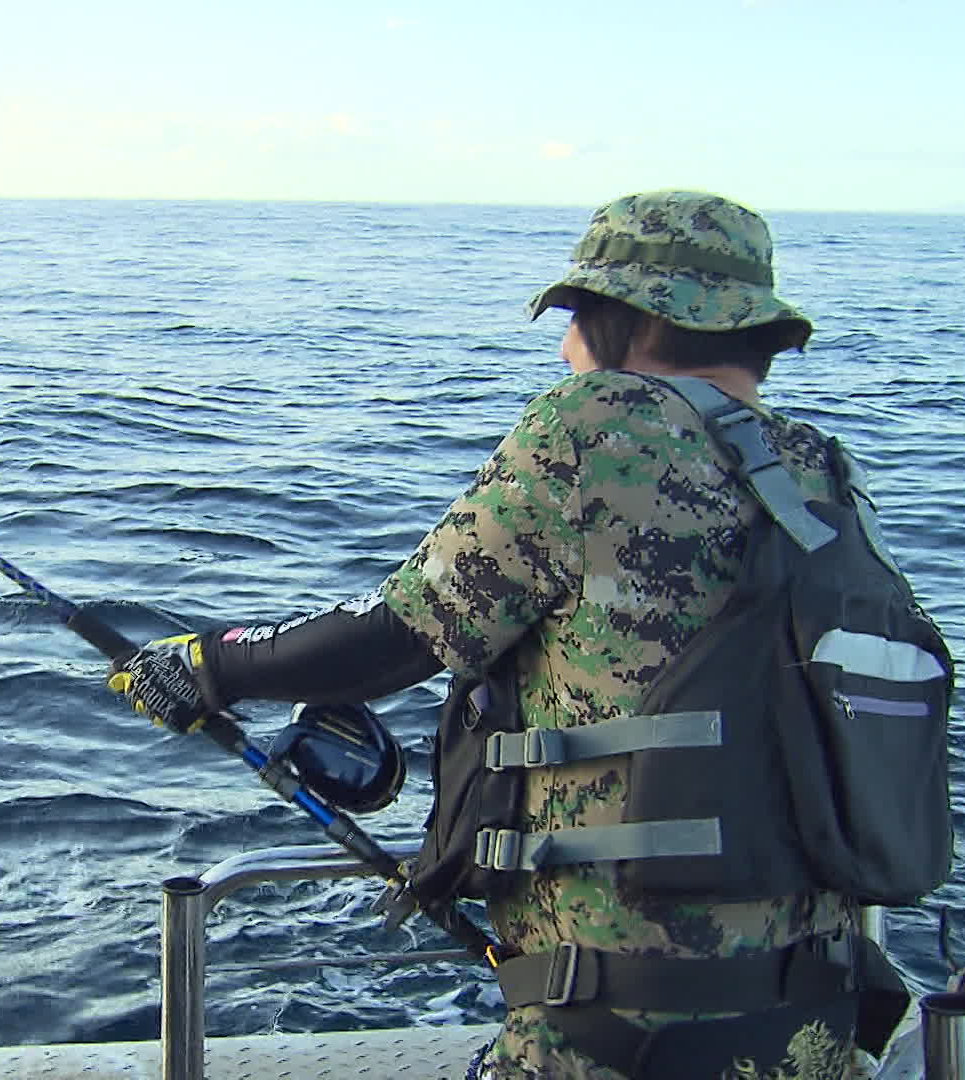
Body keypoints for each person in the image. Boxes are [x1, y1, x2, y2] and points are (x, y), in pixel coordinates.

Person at [109, 190, 868, 1079]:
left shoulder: (597, 427)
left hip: (625, 1026)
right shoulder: (821, 471)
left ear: (633, 319)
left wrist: (208, 665)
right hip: (818, 1013)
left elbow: (397, 634)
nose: (565, 346)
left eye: (580, 316)